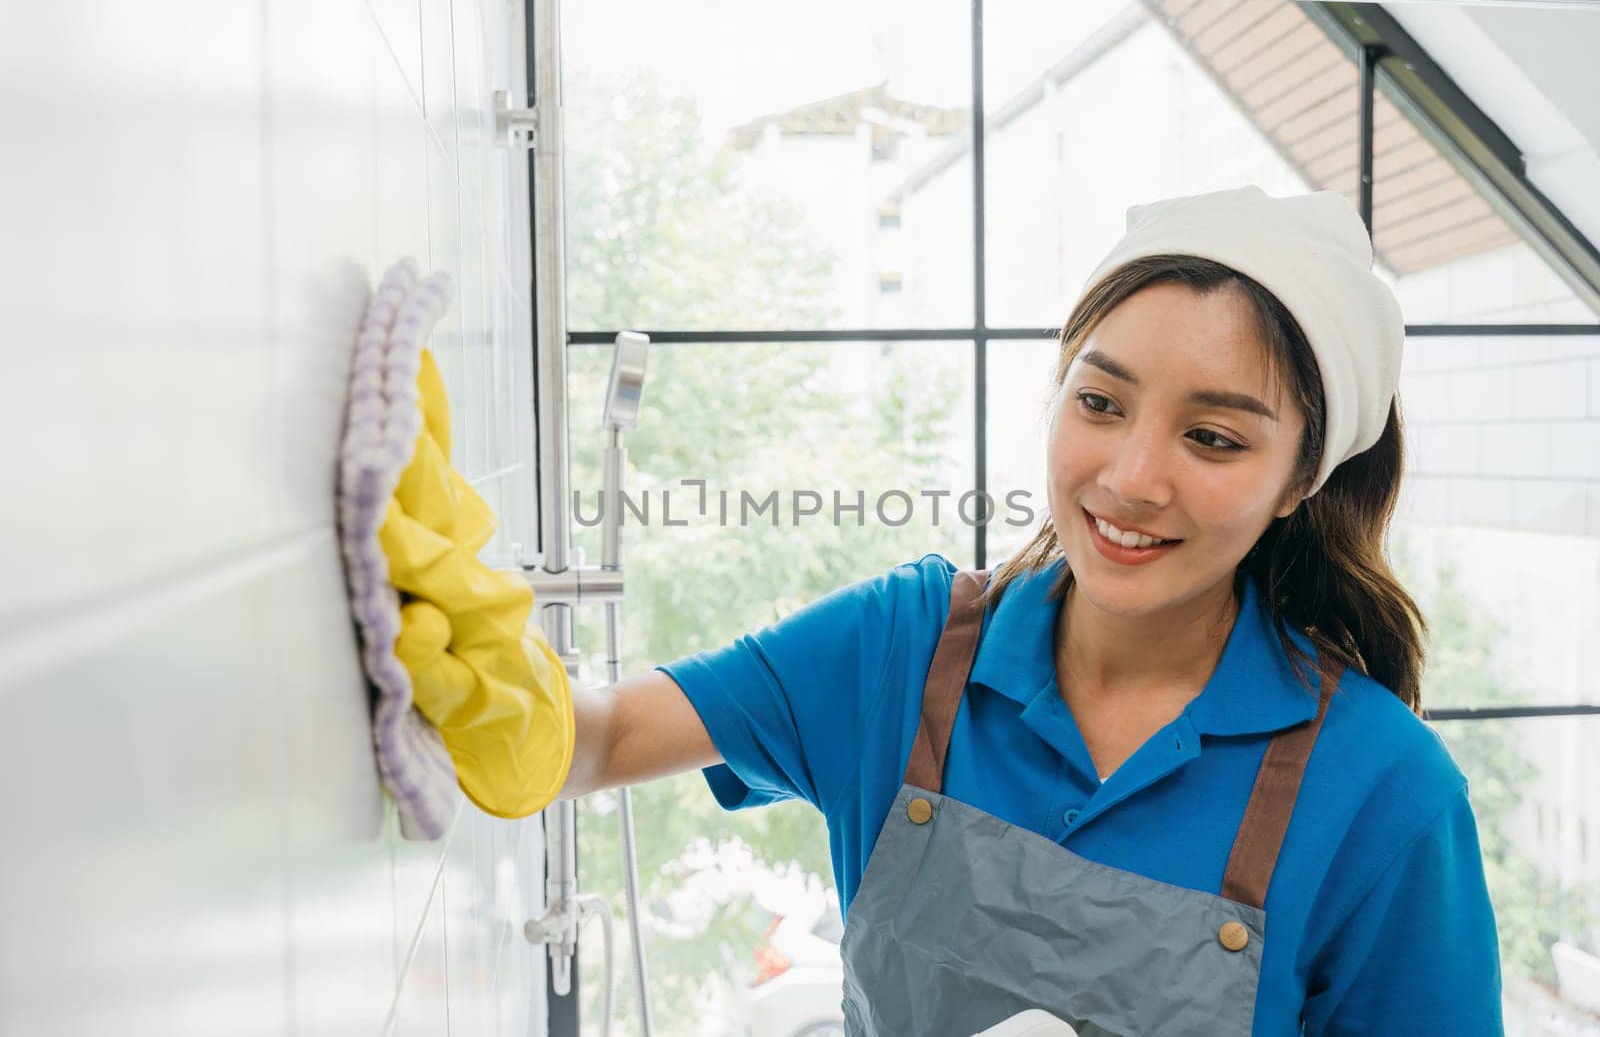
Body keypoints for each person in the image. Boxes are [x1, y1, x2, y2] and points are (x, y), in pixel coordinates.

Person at [555, 185, 1505, 1035]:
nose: (1131, 478)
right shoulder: (905, 648)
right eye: (1100, 401)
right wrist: (446, 657)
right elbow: (607, 734)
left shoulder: (1382, 789)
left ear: (1302, 476)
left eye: (1212, 438)